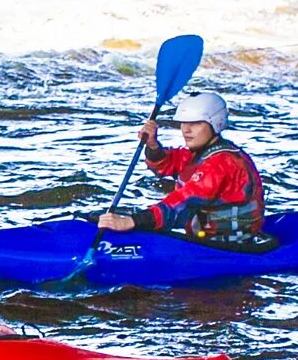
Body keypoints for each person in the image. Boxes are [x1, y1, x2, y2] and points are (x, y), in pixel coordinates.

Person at [96, 89, 267, 246]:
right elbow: (166, 164)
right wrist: (153, 146)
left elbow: (184, 203)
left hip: (229, 245)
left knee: (147, 222)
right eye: (184, 123)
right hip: (206, 238)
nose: (186, 130)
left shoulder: (224, 163)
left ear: (216, 123)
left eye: (196, 123)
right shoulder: (198, 153)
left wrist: (132, 221)